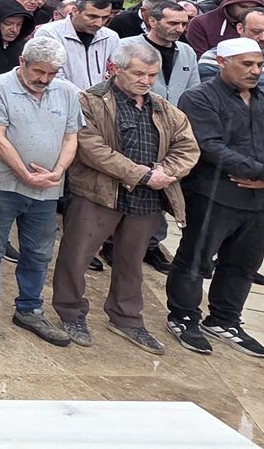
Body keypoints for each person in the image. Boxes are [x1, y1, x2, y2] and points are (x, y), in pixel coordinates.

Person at [51, 42, 200, 354]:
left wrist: (165, 172)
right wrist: (141, 174)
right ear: (116, 69)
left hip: (147, 198)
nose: (146, 81)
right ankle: (71, 312)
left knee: (132, 262)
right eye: (138, 73)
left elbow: (187, 147)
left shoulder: (163, 107)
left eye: (152, 75)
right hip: (98, 193)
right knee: (77, 256)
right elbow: (92, 148)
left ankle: (126, 318)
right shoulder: (90, 100)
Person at [165, 38, 264, 358]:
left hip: (263, 201)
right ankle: (183, 316)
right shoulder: (199, 98)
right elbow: (209, 146)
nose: (255, 71)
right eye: (247, 64)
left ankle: (225, 319)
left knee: (244, 263)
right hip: (214, 195)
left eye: (259, 65)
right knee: (196, 258)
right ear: (222, 62)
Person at [0, 34, 80, 346]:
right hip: (1, 185)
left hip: (47, 189)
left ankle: (30, 309)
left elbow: (71, 137)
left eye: (51, 73)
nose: (44, 79)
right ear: (23, 62)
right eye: (38, 72)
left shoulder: (67, 92)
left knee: (39, 252)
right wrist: (25, 174)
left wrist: (57, 172)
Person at [33, 0, 120, 90]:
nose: (99, 23)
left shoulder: (111, 36)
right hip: (62, 97)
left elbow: (118, 70)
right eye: (92, 17)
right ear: (75, 11)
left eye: (105, 18)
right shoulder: (50, 33)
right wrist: (84, 96)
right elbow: (52, 74)